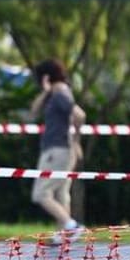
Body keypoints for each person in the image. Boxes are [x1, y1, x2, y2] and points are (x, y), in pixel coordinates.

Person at [29, 59, 86, 244]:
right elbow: (33, 111)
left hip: (57, 149)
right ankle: (63, 234)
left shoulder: (60, 93)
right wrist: (46, 92)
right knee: (61, 193)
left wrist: (76, 140)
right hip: (62, 148)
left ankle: (71, 226)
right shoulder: (55, 93)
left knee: (41, 193)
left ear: (46, 77)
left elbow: (79, 115)